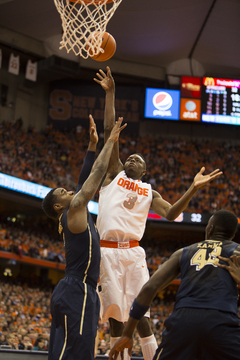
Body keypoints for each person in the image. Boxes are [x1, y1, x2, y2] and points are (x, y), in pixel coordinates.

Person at [94, 67, 223, 360]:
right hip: (109, 251)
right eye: (130, 156)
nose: (131, 157)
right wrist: (111, 92)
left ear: (144, 170)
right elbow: (108, 133)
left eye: (137, 158)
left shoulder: (150, 192)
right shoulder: (114, 174)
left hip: (134, 253)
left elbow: (171, 213)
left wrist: (192, 188)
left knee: (143, 315)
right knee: (116, 317)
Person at [42, 115, 126, 360]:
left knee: (69, 351)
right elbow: (95, 176)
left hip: (73, 288)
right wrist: (110, 142)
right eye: (62, 192)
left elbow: (82, 181)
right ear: (58, 206)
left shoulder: (74, 212)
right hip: (78, 289)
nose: (68, 190)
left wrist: (92, 145)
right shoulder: (74, 210)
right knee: (75, 353)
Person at [108, 209, 240, 360]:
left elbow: (149, 288)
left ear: (210, 229)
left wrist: (127, 333)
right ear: (232, 234)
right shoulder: (237, 253)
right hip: (222, 322)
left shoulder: (184, 252)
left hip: (184, 321)